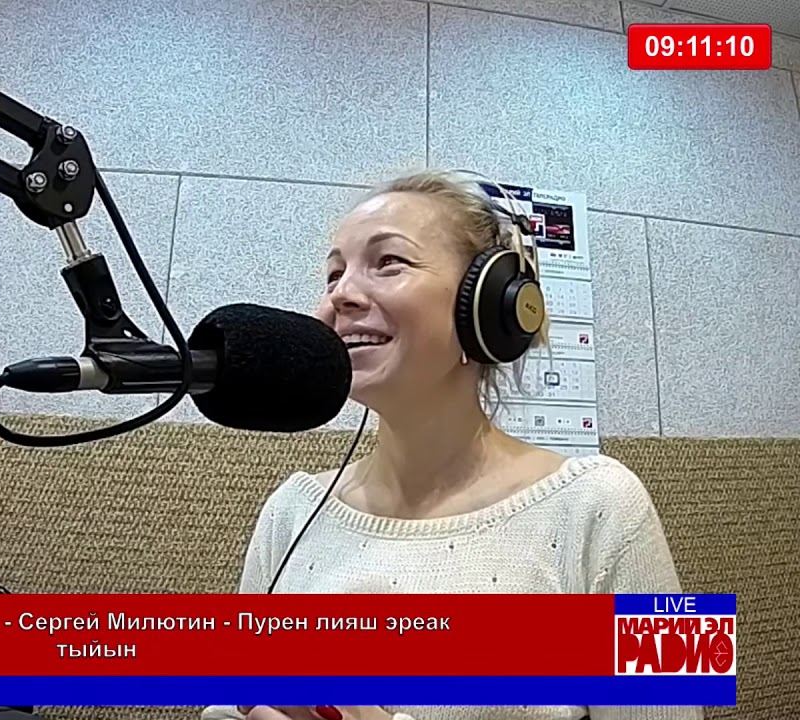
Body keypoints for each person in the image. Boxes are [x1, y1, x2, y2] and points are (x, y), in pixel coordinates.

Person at [208, 172, 698, 720]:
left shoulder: (606, 503)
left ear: (485, 306)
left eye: (388, 262)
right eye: (333, 274)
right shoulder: (291, 510)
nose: (340, 295)